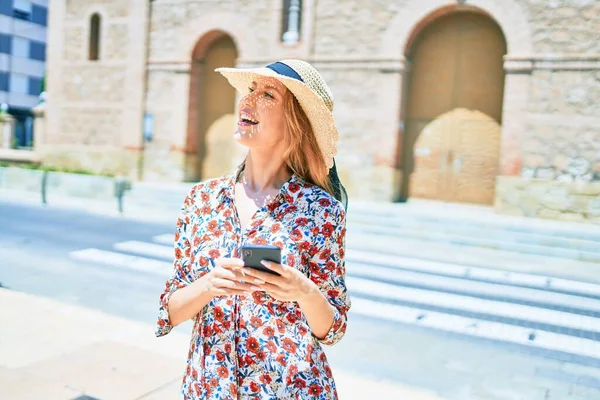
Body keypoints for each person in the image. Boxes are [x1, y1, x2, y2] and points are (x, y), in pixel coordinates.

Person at [155, 59, 350, 399]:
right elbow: (168, 312)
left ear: (296, 121)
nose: (248, 101)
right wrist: (210, 285)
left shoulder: (322, 210)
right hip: (208, 389)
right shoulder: (201, 199)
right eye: (250, 90)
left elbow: (332, 329)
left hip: (292, 389)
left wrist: (303, 291)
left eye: (268, 95)